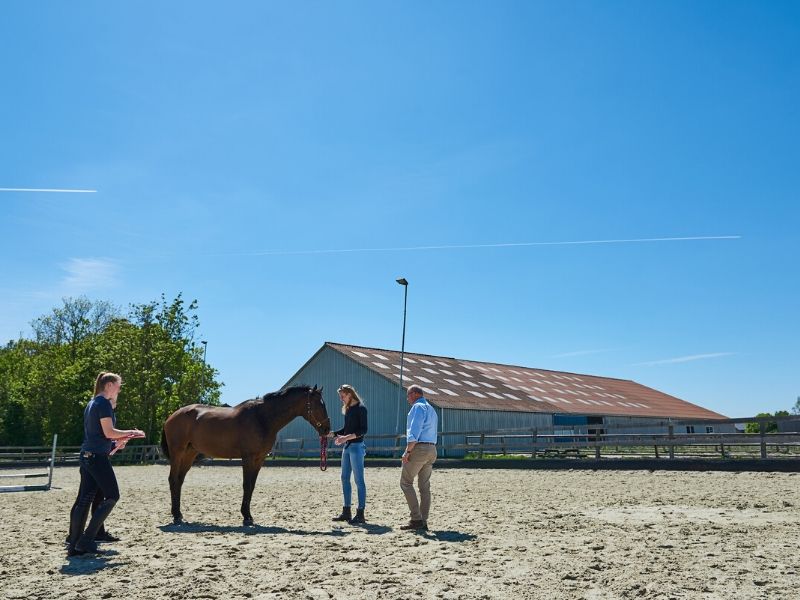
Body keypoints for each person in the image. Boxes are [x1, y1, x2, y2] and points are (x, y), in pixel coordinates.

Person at [67, 372, 145, 556]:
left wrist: (118, 441)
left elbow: (101, 436)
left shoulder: (92, 403)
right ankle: (86, 540)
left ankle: (75, 545)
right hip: (96, 458)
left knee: (84, 500)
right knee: (112, 496)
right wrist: (132, 433)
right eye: (118, 385)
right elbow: (109, 431)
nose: (119, 389)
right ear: (109, 385)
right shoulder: (103, 403)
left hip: (87, 455)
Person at [399, 384, 438, 531]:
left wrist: (408, 451)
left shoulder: (417, 408)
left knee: (406, 483)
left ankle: (416, 519)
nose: (407, 398)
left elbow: (414, 431)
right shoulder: (432, 409)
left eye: (408, 395)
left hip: (419, 448)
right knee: (424, 487)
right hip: (432, 449)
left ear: (415, 394)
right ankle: (424, 520)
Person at [328, 384, 368, 524]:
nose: (341, 399)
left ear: (350, 394)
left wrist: (345, 438)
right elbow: (346, 429)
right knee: (344, 478)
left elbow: (363, 430)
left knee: (359, 481)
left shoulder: (361, 409)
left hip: (357, 448)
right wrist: (333, 434)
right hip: (348, 447)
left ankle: (360, 513)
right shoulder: (349, 410)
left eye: (342, 396)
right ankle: (346, 511)